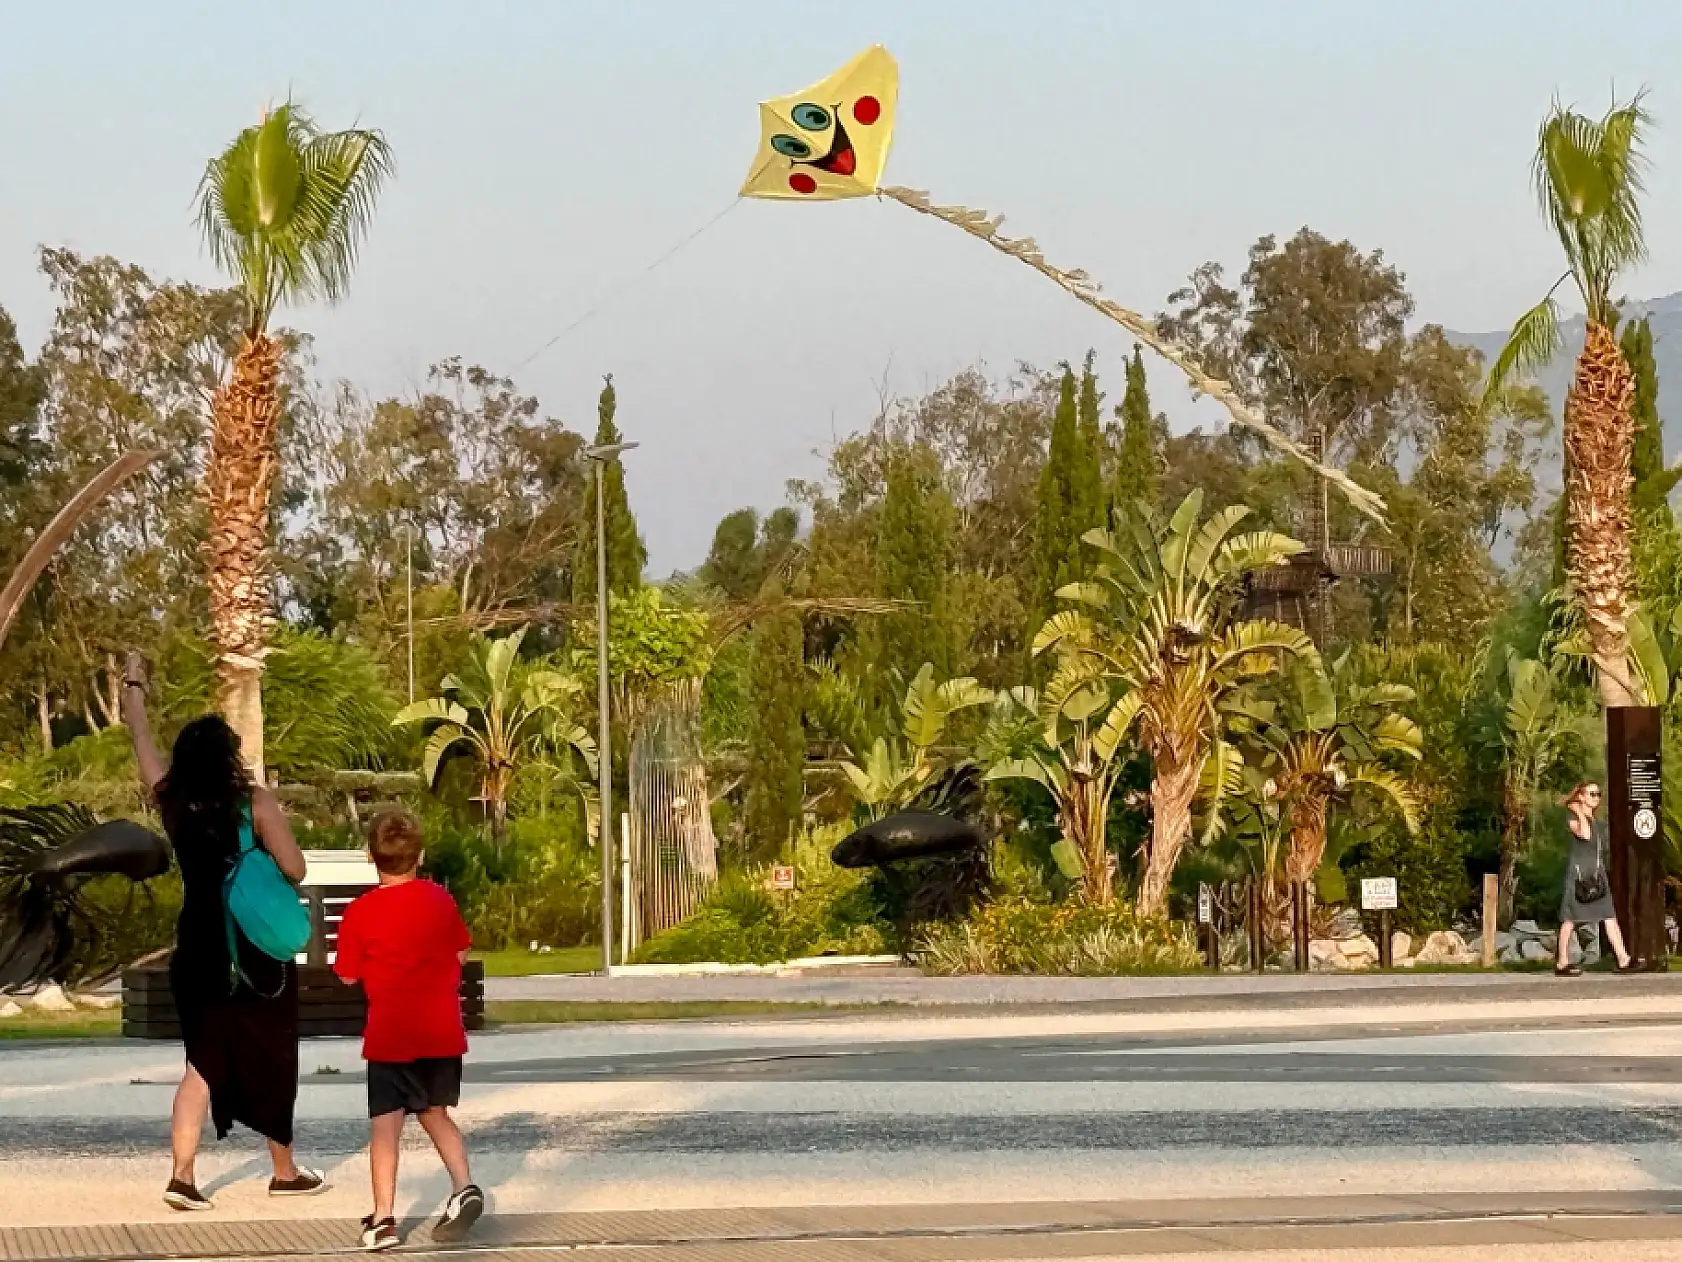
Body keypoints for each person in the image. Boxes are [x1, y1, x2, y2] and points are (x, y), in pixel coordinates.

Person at [120, 650, 328, 1210]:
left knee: (202, 1062)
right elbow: (295, 868)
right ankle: (283, 1170)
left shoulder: (173, 802)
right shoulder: (253, 803)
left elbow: (139, 736)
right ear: (230, 758)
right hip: (254, 951)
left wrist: (134, 681)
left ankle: (182, 1176)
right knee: (274, 1054)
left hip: (200, 947)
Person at [333, 809, 483, 1251]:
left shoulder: (361, 912)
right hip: (441, 1032)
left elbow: (345, 974)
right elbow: (459, 951)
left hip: (391, 1036)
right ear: (419, 856)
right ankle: (464, 1187)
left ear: (370, 857)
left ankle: (383, 1220)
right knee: (435, 1112)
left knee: (385, 1127)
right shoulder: (440, 900)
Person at [1555, 781, 1639, 977]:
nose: (1596, 797)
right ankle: (1562, 962)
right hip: (1579, 876)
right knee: (1570, 919)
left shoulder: (1597, 822)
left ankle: (1623, 959)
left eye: (1598, 794)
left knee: (1609, 916)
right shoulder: (1572, 819)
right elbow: (1583, 835)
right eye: (1592, 794)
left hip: (1597, 876)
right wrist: (1579, 812)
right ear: (1581, 797)